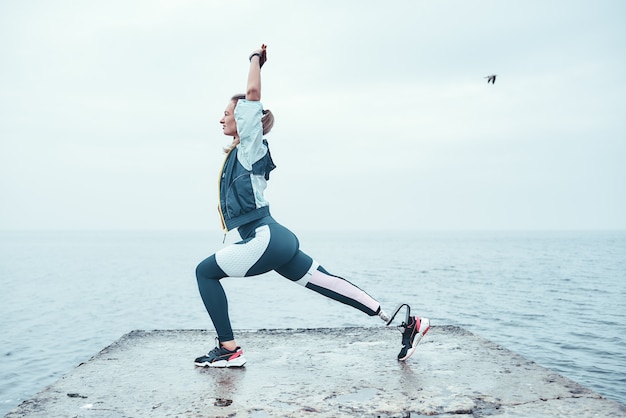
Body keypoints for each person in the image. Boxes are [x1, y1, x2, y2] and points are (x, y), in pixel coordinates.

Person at [194, 44, 430, 368]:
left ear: (244, 118)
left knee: (204, 273)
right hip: (276, 238)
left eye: (226, 112)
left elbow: (251, 92)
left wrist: (254, 59)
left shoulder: (250, 145)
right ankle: (407, 324)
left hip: (265, 237)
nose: (220, 117)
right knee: (330, 284)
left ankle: (229, 349)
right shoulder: (243, 151)